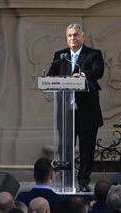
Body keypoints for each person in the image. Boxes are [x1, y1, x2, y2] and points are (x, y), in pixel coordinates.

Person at [47, 23, 104, 192]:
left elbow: (99, 71)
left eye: (76, 35)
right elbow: (51, 75)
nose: (73, 38)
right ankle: (66, 180)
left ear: (83, 37)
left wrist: (82, 74)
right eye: (70, 35)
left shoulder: (93, 54)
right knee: (65, 149)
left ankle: (84, 182)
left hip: (87, 112)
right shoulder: (60, 55)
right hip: (66, 112)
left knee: (86, 151)